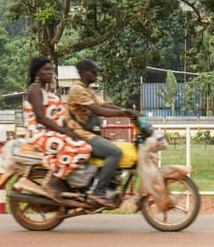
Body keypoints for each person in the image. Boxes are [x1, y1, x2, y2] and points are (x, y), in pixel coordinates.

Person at [66, 58, 141, 207]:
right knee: (115, 152)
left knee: (120, 148)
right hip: (81, 135)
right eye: (93, 72)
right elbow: (98, 110)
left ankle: (108, 184)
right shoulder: (77, 90)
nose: (96, 74)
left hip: (90, 133)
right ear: (83, 73)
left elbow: (105, 105)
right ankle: (98, 192)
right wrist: (123, 114)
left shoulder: (87, 90)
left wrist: (128, 112)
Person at [23, 57, 92, 202]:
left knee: (83, 145)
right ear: (37, 72)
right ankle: (53, 183)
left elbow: (60, 118)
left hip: (49, 133)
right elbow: (41, 118)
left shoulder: (46, 92)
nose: (50, 73)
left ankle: (67, 181)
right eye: (46, 69)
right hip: (38, 134)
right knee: (82, 149)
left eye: (52, 70)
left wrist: (73, 132)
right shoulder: (35, 89)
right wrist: (65, 132)